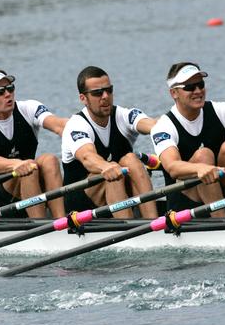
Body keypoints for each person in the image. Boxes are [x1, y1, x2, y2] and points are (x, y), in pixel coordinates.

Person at [149, 62, 225, 217]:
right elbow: (172, 167)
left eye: (200, 84)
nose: (198, 91)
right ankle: (222, 226)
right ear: (174, 93)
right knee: (203, 155)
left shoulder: (221, 110)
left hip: (220, 191)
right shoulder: (164, 126)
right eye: (190, 87)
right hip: (184, 204)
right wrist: (199, 168)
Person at [0, 69, 68, 218]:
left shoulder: (28, 108)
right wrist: (16, 164)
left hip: (28, 185)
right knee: (29, 168)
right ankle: (39, 225)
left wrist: (79, 126)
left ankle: (61, 221)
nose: (7, 94)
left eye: (10, 88)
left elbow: (59, 125)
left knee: (49, 160)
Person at [60, 66, 158, 219]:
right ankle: (127, 231)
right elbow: (87, 157)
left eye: (109, 90)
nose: (105, 96)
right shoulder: (77, 125)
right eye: (97, 93)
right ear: (83, 98)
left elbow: (153, 126)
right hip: (81, 205)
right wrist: (106, 166)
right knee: (113, 170)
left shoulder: (123, 115)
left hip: (114, 194)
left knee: (130, 159)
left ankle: (154, 222)